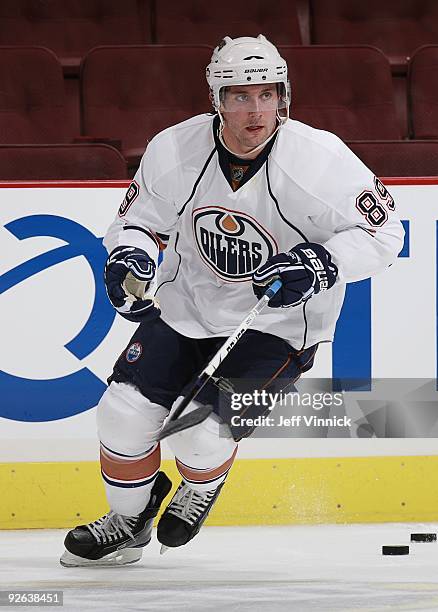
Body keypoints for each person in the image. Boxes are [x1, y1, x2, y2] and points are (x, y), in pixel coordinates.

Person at [60, 35, 404, 567]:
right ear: (216, 98)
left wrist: (323, 264)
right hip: (187, 306)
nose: (256, 110)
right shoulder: (174, 148)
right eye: (241, 96)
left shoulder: (321, 160)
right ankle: (129, 521)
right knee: (121, 414)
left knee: (201, 436)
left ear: (284, 96)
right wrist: (128, 256)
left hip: (280, 324)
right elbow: (137, 221)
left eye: (267, 95)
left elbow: (384, 235)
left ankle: (200, 482)